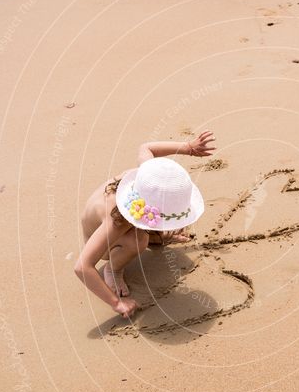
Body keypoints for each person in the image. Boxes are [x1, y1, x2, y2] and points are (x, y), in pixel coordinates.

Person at [74, 131, 216, 318]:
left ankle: (155, 237)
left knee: (144, 236)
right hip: (103, 244)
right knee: (138, 241)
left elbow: (146, 147)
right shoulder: (117, 221)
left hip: (130, 218)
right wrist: (116, 303)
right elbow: (82, 266)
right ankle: (114, 269)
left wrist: (188, 148)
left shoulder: (150, 178)